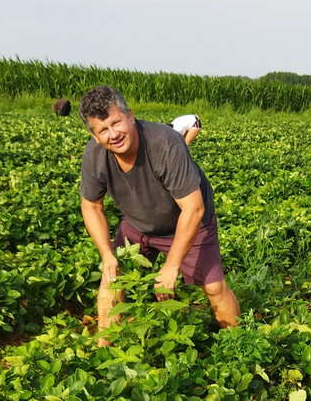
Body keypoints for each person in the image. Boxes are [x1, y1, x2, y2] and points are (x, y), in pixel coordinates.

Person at [77, 86, 239, 346]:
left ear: (130, 116)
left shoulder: (164, 143)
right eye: (103, 130)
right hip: (136, 222)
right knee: (111, 282)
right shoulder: (95, 155)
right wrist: (107, 255)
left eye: (116, 122)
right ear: (94, 136)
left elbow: (193, 208)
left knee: (213, 287)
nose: (113, 134)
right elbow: (91, 206)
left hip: (186, 221)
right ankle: (103, 352)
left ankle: (238, 344)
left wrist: (171, 266)